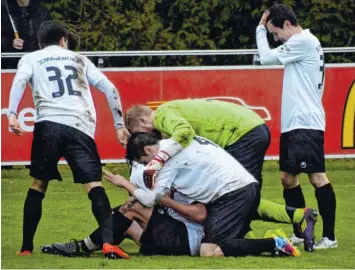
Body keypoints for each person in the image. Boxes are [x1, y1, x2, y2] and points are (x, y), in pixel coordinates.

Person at [7, 20, 129, 258]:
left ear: (41, 43)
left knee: (38, 185)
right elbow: (110, 89)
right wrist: (118, 125)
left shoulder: (31, 58)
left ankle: (25, 248)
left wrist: (12, 114)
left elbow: (20, 81)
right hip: (79, 126)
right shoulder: (79, 59)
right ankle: (108, 244)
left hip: (48, 126)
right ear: (64, 41)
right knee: (94, 185)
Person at [124, 99, 317, 244]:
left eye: (139, 132)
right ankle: (297, 216)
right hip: (248, 130)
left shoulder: (161, 116)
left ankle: (250, 240)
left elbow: (184, 132)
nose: (143, 138)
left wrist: (157, 160)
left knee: (234, 195)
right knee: (238, 195)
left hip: (242, 134)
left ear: (143, 120)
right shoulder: (169, 111)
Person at [41, 162, 300, 258]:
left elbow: (200, 214)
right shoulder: (172, 172)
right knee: (122, 212)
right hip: (177, 232)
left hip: (189, 236)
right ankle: (94, 245)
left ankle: (83, 247)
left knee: (133, 209)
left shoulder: (193, 179)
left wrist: (162, 200)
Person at [120, 132, 302, 257]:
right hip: (237, 188)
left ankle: (275, 243)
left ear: (148, 150)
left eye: (145, 162)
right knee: (216, 246)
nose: (148, 167)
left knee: (209, 252)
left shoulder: (167, 161)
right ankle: (271, 241)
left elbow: (153, 199)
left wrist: (125, 184)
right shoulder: (178, 141)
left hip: (233, 193)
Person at [256, 2, 337, 249]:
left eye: (275, 33)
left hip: (305, 122)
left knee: (317, 177)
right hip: (295, 123)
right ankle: (301, 233)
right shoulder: (302, 43)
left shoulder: (303, 41)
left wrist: (259, 30)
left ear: (288, 24)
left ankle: (330, 238)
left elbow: (266, 58)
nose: (276, 38)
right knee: (287, 178)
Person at [1, 0, 52, 68]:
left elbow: (50, 39)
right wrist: (10, 43)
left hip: (37, 64)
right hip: (10, 65)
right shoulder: (3, 11)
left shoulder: (43, 12)